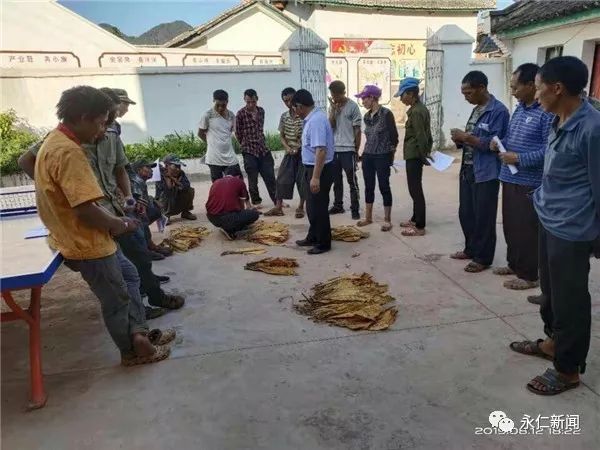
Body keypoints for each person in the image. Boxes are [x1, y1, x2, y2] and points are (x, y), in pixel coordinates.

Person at [32, 86, 171, 366]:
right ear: (83, 117)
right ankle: (131, 352)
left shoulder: (53, 142)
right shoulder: (69, 152)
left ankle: (139, 333)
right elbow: (85, 210)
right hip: (86, 242)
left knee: (130, 275)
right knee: (115, 299)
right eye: (99, 122)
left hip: (92, 237)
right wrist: (119, 223)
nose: (101, 130)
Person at [510, 56, 600, 396]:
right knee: (550, 295)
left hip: (573, 229)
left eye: (538, 88)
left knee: (570, 301)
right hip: (548, 219)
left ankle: (568, 369)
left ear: (557, 88)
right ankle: (552, 342)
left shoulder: (593, 129)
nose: (535, 95)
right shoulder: (556, 120)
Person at [490, 63, 554, 291]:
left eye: (515, 87)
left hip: (529, 180)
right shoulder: (519, 109)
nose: (513, 91)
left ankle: (529, 275)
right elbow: (510, 136)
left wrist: (518, 158)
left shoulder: (545, 113)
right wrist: (499, 144)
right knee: (511, 226)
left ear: (531, 85)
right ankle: (514, 264)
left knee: (526, 229)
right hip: (509, 177)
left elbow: (549, 150)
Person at [450, 71, 509, 273]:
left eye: (468, 93)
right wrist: (460, 140)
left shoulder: (498, 111)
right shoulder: (476, 110)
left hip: (486, 171)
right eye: (463, 93)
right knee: (466, 213)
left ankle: (483, 257)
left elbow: (495, 144)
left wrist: (466, 138)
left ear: (481, 88)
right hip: (468, 167)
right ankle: (470, 249)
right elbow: (473, 137)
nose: (466, 97)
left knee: (483, 215)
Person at [292, 89, 335, 255]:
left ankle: (323, 242)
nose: (295, 112)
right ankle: (313, 235)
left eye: (295, 108)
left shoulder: (316, 121)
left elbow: (321, 151)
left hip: (320, 169)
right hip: (310, 167)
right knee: (311, 206)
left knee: (319, 207)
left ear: (300, 106)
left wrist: (316, 177)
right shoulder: (312, 118)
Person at [354, 85, 398, 232]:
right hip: (368, 156)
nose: (363, 101)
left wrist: (391, 155)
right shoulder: (366, 116)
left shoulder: (386, 114)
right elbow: (369, 137)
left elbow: (394, 137)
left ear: (372, 97)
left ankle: (387, 219)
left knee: (384, 186)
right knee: (368, 186)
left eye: (364, 98)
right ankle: (368, 217)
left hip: (383, 155)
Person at [395, 77, 432, 237]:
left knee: (415, 190)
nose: (401, 99)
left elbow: (421, 136)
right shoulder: (417, 109)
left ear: (411, 94)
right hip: (414, 154)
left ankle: (420, 225)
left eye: (402, 95)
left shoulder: (417, 112)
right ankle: (415, 217)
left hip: (415, 155)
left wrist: (424, 155)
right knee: (414, 188)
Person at [264, 87, 306, 218]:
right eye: (285, 101)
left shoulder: (303, 115)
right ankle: (278, 207)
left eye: (291, 99)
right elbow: (281, 136)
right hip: (289, 152)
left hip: (303, 153)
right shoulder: (284, 116)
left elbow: (307, 135)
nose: (288, 103)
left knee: (302, 180)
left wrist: (299, 147)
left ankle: (300, 207)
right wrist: (287, 148)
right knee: (282, 178)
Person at [235, 89, 277, 208]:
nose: (251, 105)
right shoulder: (240, 114)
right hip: (248, 150)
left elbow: (260, 128)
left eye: (253, 102)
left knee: (270, 177)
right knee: (253, 180)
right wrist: (245, 144)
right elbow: (238, 133)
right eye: (248, 102)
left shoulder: (261, 111)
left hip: (262, 148)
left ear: (257, 99)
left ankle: (277, 200)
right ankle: (256, 201)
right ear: (244, 100)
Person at [327, 80, 362, 220]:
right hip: (335, 149)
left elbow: (357, 130)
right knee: (337, 180)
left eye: (336, 95)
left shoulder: (353, 107)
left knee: (352, 180)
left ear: (342, 93)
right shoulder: (333, 107)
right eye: (332, 95)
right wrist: (333, 112)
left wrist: (356, 149)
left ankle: (355, 208)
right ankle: (338, 205)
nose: (334, 98)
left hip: (348, 149)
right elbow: (331, 126)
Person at [130, 159, 172, 259]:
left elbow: (144, 197)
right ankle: (147, 249)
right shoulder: (137, 181)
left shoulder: (141, 181)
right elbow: (137, 201)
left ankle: (149, 245)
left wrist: (153, 200)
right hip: (129, 213)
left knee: (153, 209)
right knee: (142, 218)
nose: (151, 170)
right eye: (148, 167)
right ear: (139, 170)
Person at [205, 165, 260, 240]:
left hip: (211, 216)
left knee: (235, 214)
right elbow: (242, 205)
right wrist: (245, 215)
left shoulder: (216, 182)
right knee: (254, 214)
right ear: (238, 176)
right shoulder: (239, 181)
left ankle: (226, 225)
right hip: (226, 218)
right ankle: (231, 230)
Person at [198, 89, 241, 182]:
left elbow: (235, 133)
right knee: (218, 186)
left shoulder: (231, 115)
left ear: (227, 102)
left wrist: (241, 144)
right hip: (214, 158)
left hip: (230, 157)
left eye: (223, 105)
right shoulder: (207, 115)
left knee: (236, 182)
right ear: (213, 101)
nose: (220, 108)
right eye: (218, 105)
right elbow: (200, 133)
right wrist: (210, 142)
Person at [156, 154, 197, 223]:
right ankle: (166, 215)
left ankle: (185, 212)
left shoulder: (181, 173)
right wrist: (167, 178)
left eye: (179, 166)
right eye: (175, 166)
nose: (178, 169)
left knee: (190, 190)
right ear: (166, 166)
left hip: (175, 199)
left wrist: (173, 179)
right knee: (168, 193)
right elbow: (168, 189)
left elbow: (186, 185)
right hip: (164, 202)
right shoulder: (160, 175)